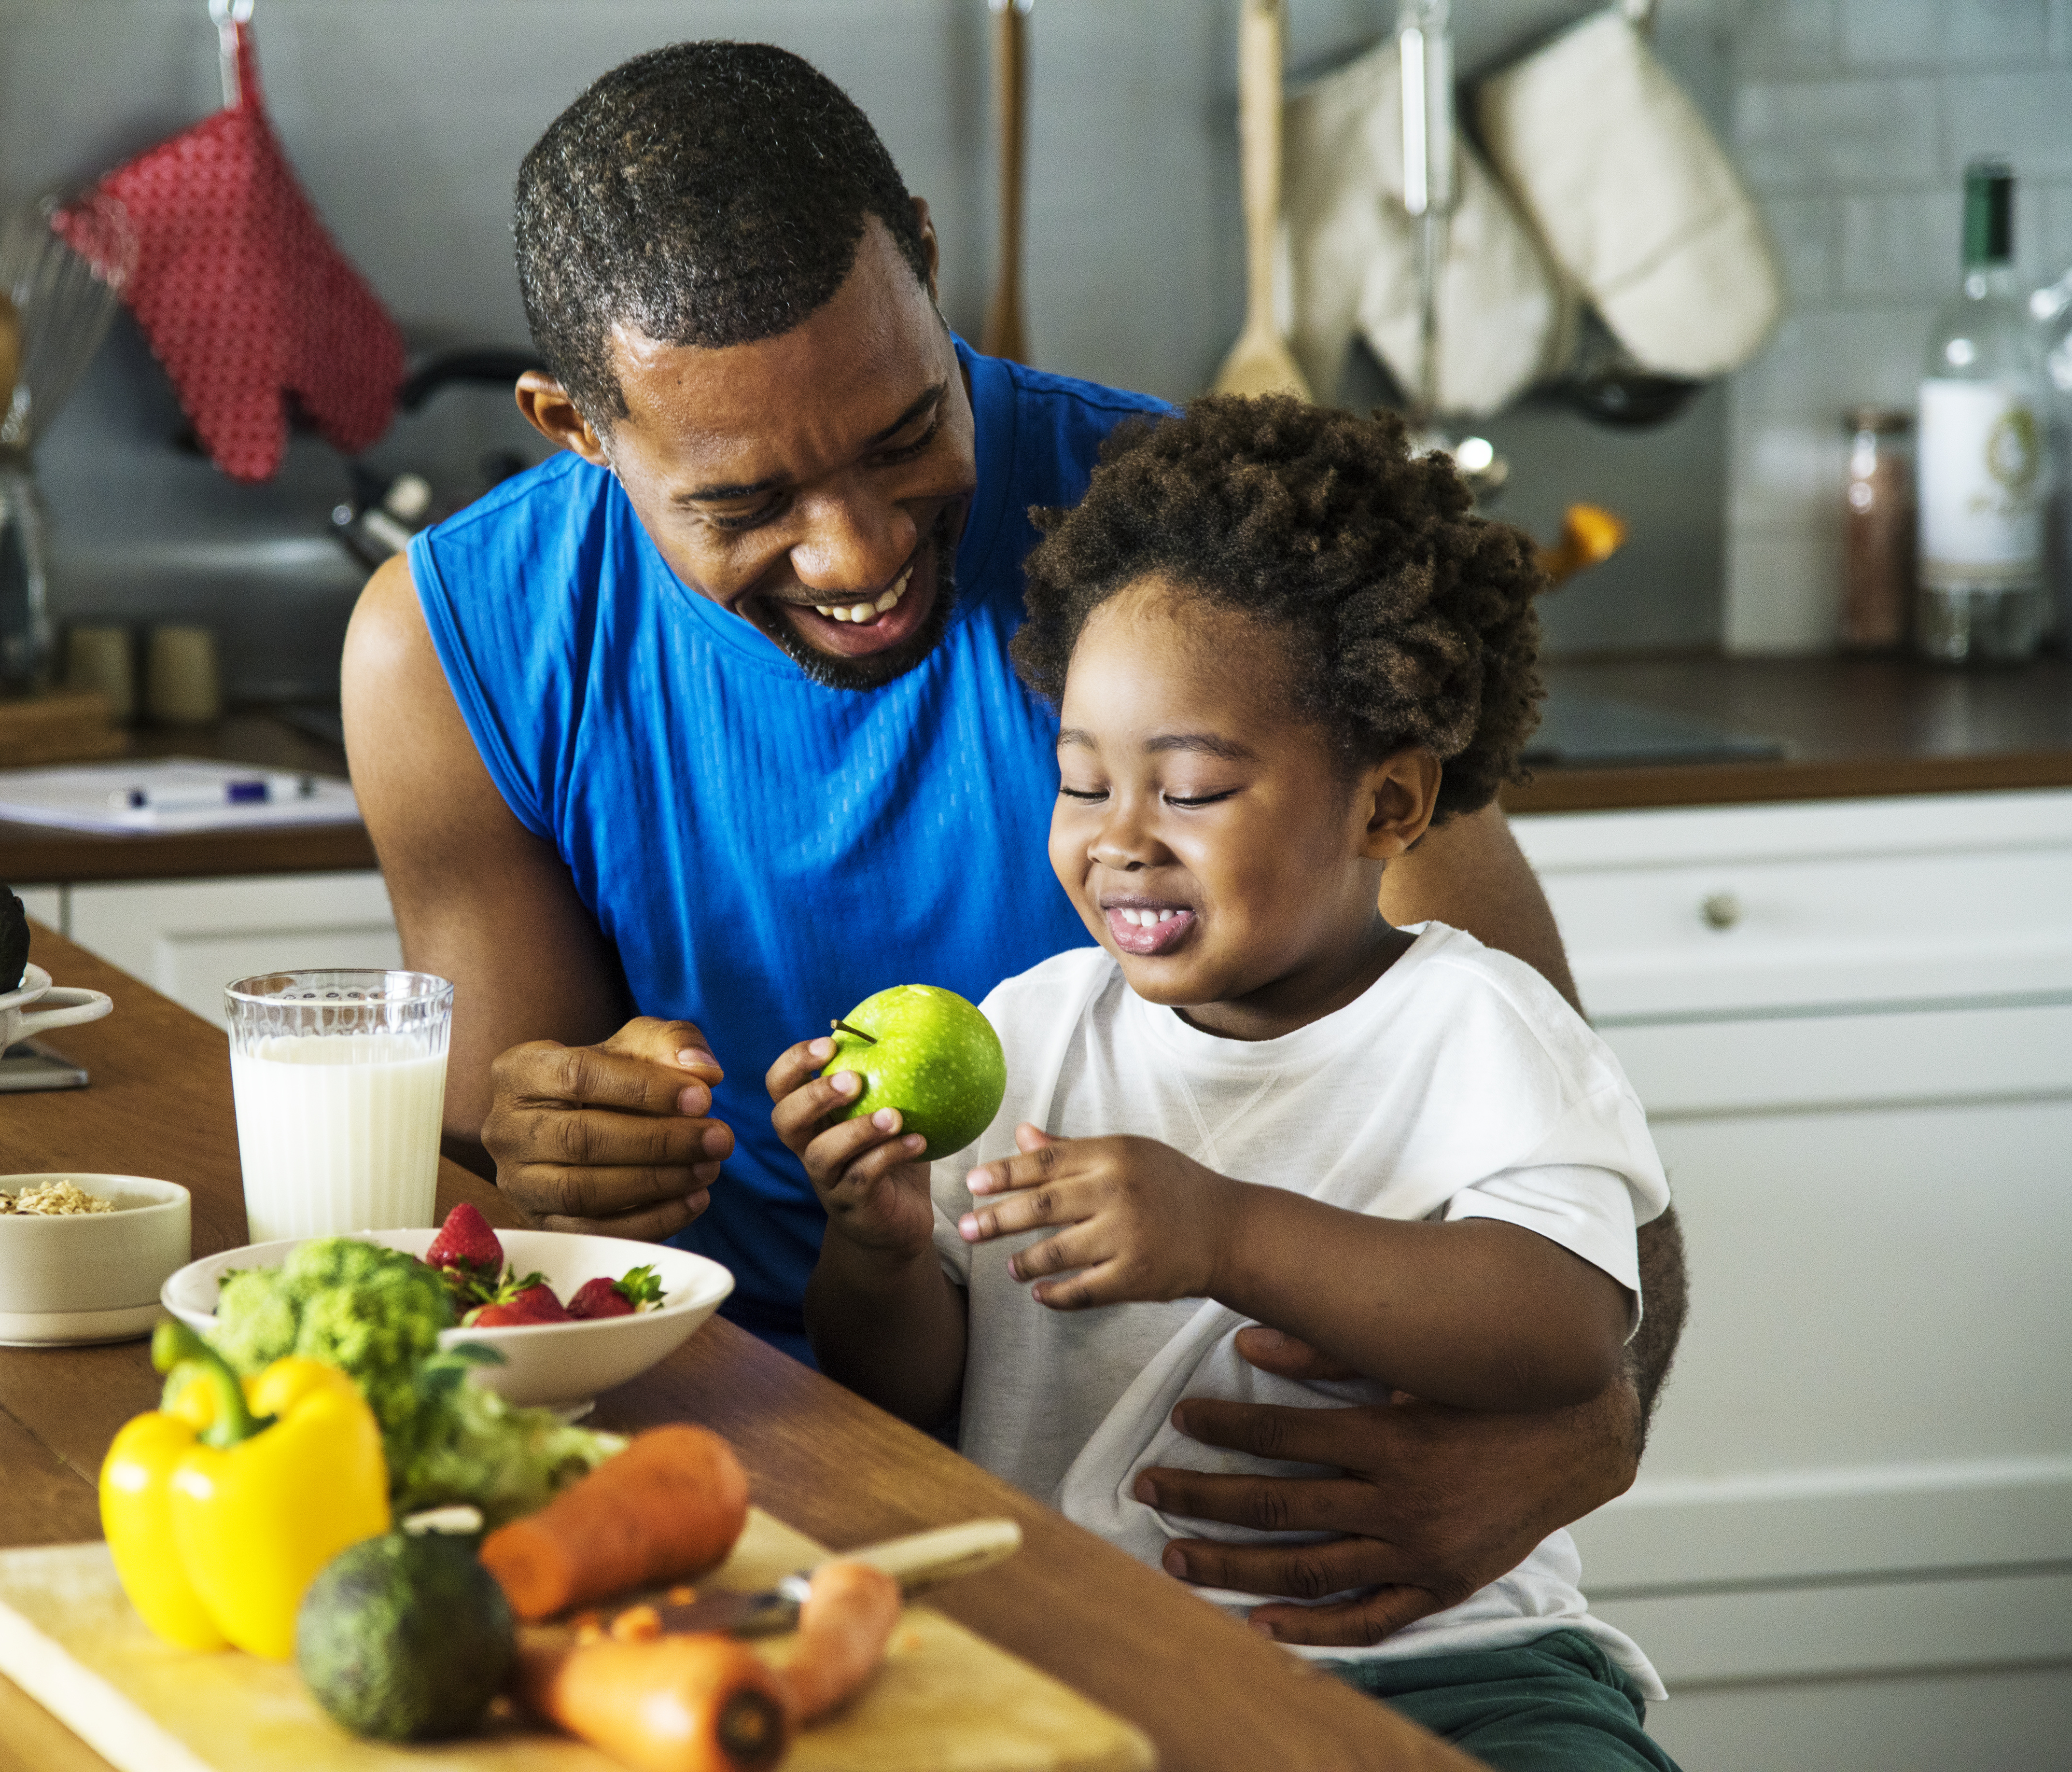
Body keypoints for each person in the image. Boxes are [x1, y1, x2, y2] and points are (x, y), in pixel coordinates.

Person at [342, 39, 1690, 1648]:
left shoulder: (1193, 572)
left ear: (922, 252)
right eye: (744, 500)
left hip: (1232, 1551)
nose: (857, 549)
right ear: (577, 426)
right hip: (709, 1475)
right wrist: (549, 1147)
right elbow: (508, 1227)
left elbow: (1570, 1151)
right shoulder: (454, 648)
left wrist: (1579, 1443)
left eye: (906, 431)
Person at [769, 396, 1680, 1771]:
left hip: (1447, 1665)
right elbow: (912, 1396)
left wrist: (1224, 1232)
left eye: (1187, 792)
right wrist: (880, 1252)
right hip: (1083, 1653)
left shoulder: (1478, 1028)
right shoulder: (1031, 1033)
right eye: (1083, 785)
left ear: (1385, 807)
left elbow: (1562, 1333)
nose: (1119, 844)